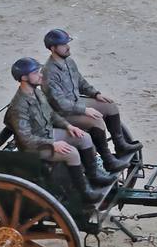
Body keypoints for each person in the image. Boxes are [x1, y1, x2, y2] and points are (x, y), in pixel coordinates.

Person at [6, 57, 113, 204]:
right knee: (72, 153)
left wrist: (68, 126)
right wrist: (53, 144)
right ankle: (85, 193)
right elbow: (26, 139)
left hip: (48, 134)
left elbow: (51, 114)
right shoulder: (18, 107)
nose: (41, 75)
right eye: (36, 73)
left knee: (84, 137)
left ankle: (94, 175)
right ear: (24, 78)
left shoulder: (37, 93)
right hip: (35, 147)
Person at [41, 28, 141, 164]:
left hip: (76, 102)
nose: (68, 47)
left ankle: (120, 145)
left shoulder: (69, 62)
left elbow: (81, 82)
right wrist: (85, 110)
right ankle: (107, 159)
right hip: (62, 113)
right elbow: (59, 103)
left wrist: (95, 94)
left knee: (109, 106)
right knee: (96, 120)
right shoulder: (49, 72)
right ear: (53, 48)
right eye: (64, 45)